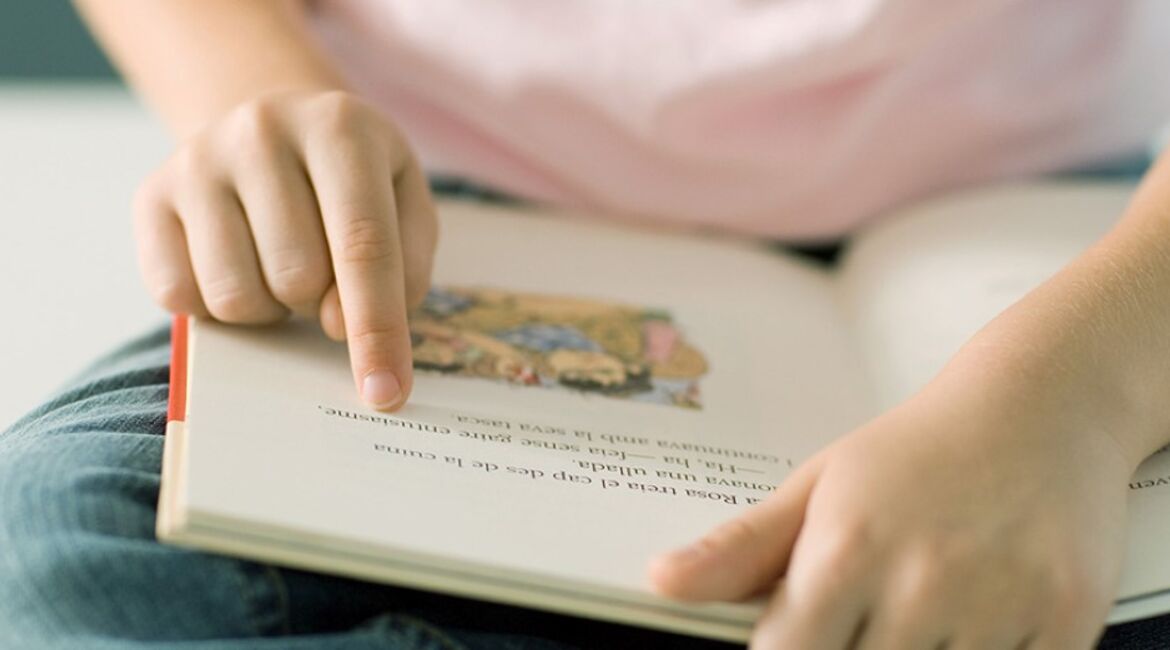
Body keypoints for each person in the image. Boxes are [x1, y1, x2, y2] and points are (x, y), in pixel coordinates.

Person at [4, 1, 1170, 648]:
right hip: (435, 202)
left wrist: (1076, 396)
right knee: (55, 555)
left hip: (1084, 255)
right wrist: (251, 100)